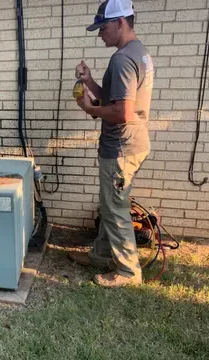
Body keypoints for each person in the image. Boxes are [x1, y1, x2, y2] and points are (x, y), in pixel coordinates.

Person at [71, 0, 154, 287]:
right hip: (133, 143)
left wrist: (90, 109)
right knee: (110, 204)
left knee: (115, 207)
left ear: (120, 22)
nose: (99, 34)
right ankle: (100, 255)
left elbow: (121, 112)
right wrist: (91, 82)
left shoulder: (122, 59)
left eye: (102, 27)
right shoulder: (137, 53)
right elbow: (116, 97)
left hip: (121, 147)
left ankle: (128, 273)